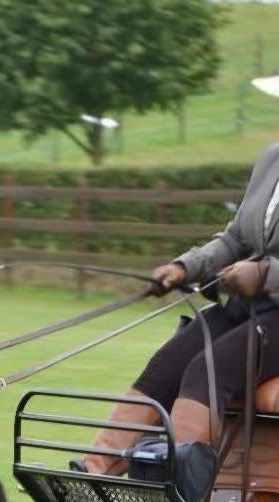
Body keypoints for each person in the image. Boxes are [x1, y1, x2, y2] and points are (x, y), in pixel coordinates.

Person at [80, 135, 279, 477]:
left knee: (207, 370)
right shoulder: (271, 159)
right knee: (167, 364)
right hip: (248, 307)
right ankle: (96, 469)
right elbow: (235, 239)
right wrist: (183, 267)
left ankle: (175, 477)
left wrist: (264, 274)